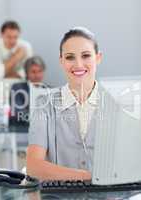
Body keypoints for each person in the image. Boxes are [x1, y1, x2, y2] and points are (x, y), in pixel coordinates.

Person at [27, 27, 102, 180]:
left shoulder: (116, 104)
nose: (78, 64)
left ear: (98, 58)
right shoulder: (44, 104)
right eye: (70, 57)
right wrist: (89, 177)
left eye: (86, 55)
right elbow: (33, 166)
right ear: (61, 61)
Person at [0, 20, 33, 129]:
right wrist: (17, 57)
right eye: (9, 37)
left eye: (15, 37)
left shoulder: (26, 47)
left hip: (18, 86)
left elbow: (27, 72)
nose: (13, 40)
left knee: (18, 116)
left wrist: (4, 71)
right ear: (1, 35)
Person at [9, 55, 48, 131]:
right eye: (33, 72)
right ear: (27, 73)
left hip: (44, 132)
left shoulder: (49, 90)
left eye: (40, 71)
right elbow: (18, 112)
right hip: (22, 130)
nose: (37, 75)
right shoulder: (17, 88)